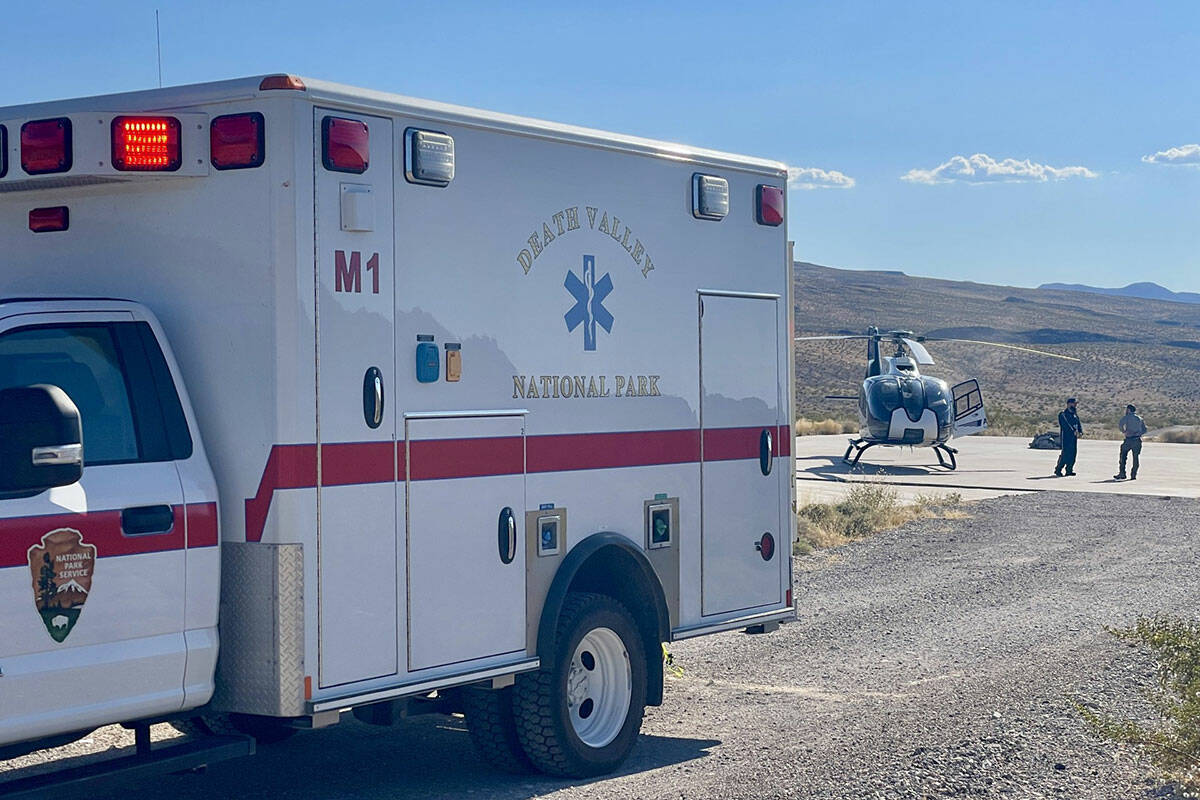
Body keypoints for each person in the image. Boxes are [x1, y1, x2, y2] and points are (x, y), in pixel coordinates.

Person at [1114, 404, 1147, 480]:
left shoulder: (1126, 417)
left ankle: (1122, 473)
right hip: (1137, 440)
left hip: (1129, 439)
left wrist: (1124, 431)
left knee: (1123, 456)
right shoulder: (1139, 418)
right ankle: (1133, 475)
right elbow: (1145, 429)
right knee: (1136, 458)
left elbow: (1120, 425)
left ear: (1129, 410)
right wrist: (1139, 433)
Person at [1055, 397, 1084, 476]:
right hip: (1066, 438)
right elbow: (1065, 425)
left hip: (1074, 438)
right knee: (1065, 454)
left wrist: (1080, 432)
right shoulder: (1063, 414)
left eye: (1076, 404)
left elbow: (1078, 423)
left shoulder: (1074, 414)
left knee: (1073, 454)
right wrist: (1073, 431)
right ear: (1068, 404)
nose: (1075, 405)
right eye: (1074, 403)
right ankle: (1058, 469)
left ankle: (1069, 470)